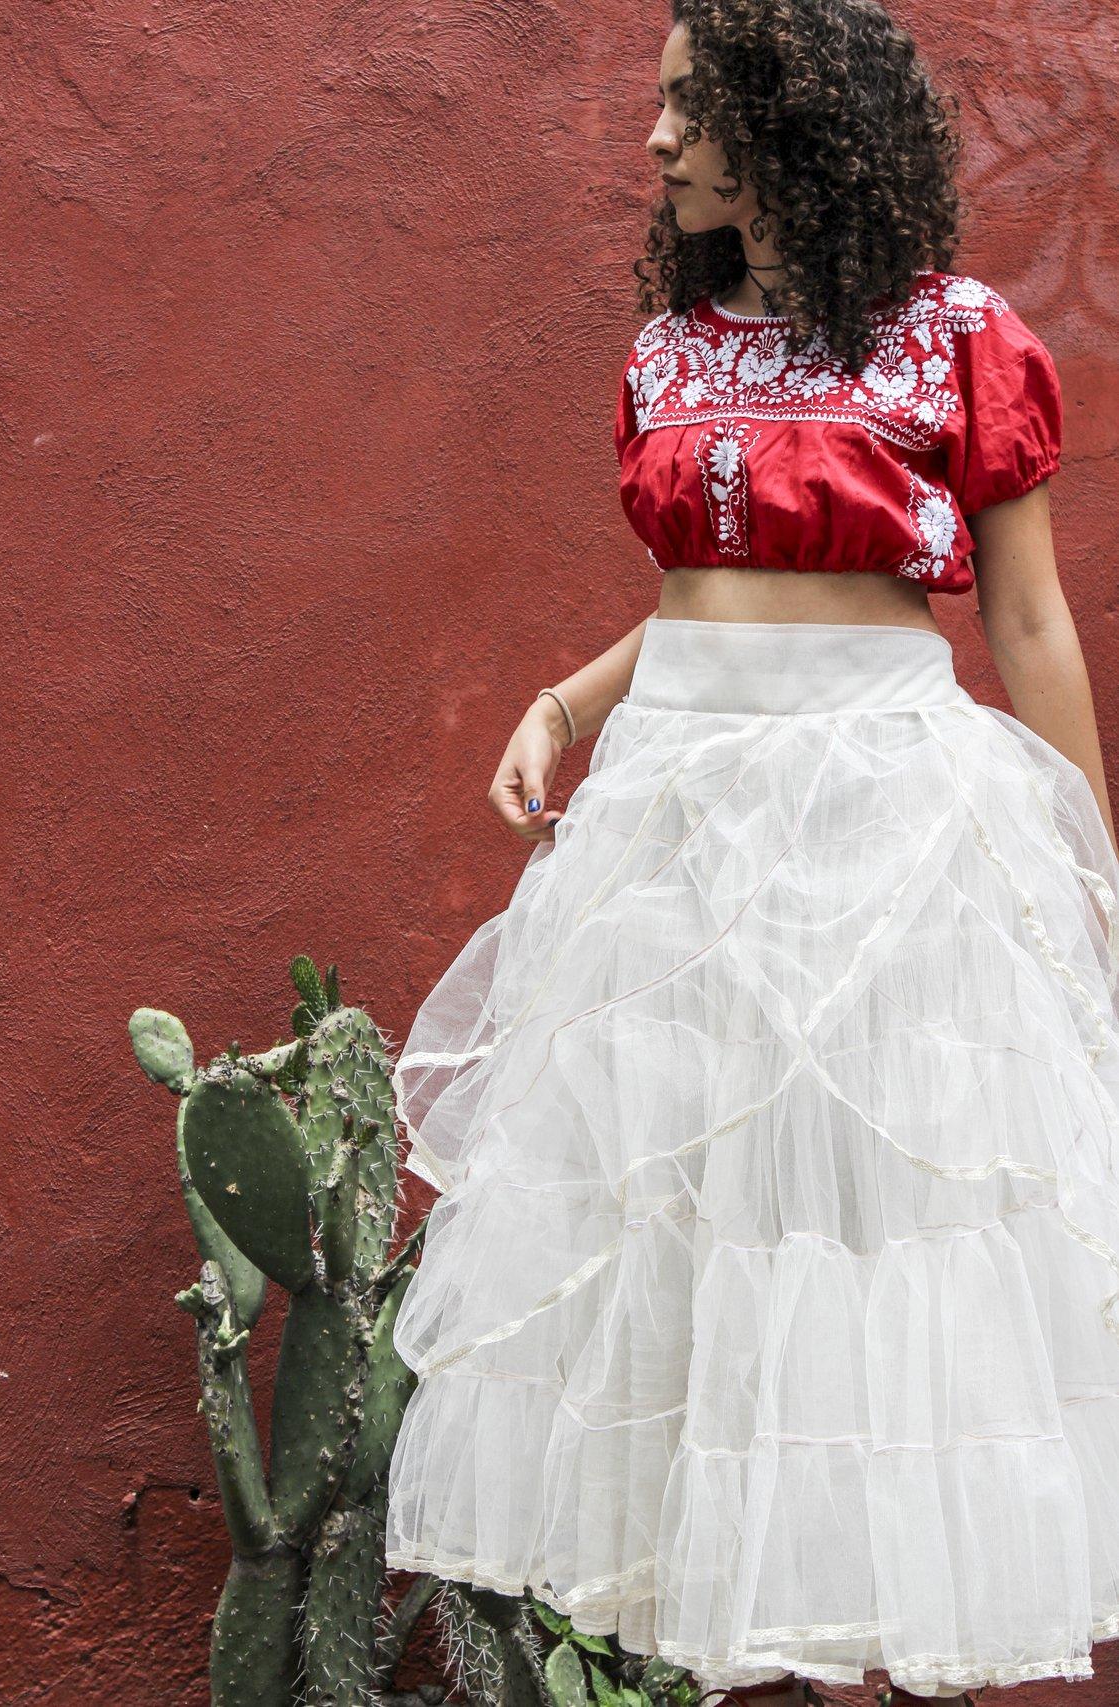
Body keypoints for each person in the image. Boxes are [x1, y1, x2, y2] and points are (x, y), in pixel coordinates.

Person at [384, 2, 1119, 1703]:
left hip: (880, 815)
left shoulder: (959, 339)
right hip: (678, 817)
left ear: (785, 119)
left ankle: (860, 1635)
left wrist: (1083, 871)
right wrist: (561, 710)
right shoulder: (666, 346)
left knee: (867, 1232)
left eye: (681, 107)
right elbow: (701, 594)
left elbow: (1022, 618)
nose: (651, 142)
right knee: (680, 1224)